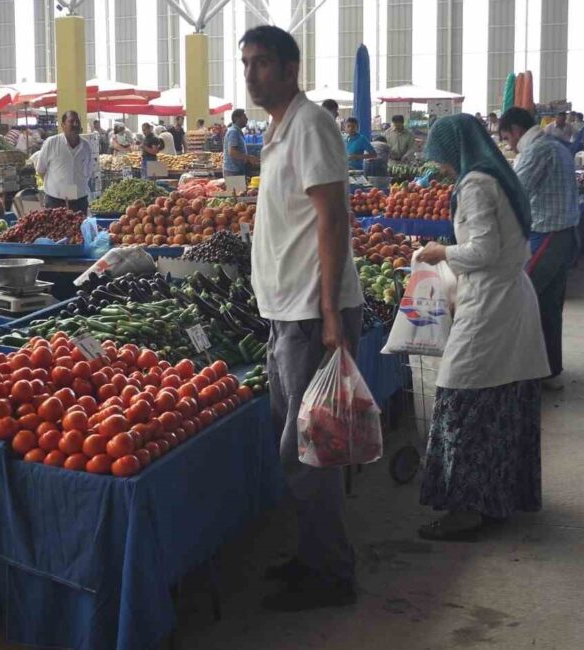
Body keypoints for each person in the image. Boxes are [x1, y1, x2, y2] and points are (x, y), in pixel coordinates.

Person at [241, 24, 364, 611]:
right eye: (246, 63)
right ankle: (312, 555)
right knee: (296, 445)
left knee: (310, 449)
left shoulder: (311, 124)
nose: (251, 73)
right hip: (284, 312)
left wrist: (330, 311)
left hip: (310, 313)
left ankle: (332, 574)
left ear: (291, 68)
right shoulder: (277, 129)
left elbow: (332, 218)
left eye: (263, 63)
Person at [413, 113, 550, 541]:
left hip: (491, 302)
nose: (443, 168)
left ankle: (467, 509)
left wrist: (442, 251)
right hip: (509, 296)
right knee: (502, 398)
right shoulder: (497, 173)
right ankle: (499, 496)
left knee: (461, 398)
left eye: (444, 158)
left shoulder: (474, 183)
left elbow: (484, 249)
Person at [499, 107, 579, 390]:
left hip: (546, 235)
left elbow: (515, 194)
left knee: (516, 299)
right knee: (547, 305)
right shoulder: (557, 147)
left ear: (517, 130)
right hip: (564, 235)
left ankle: (517, 375)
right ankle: (549, 371)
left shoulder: (536, 151)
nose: (508, 144)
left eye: (507, 138)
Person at [34, 111, 94, 213]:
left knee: (79, 228)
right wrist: (56, 188)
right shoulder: (51, 143)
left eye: (77, 121)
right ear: (63, 125)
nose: (75, 124)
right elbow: (41, 170)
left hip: (79, 202)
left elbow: (89, 171)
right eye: (71, 121)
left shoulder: (86, 146)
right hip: (55, 202)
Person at [223, 109, 256, 176]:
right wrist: (248, 157)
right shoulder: (233, 132)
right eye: (244, 117)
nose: (247, 119)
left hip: (237, 169)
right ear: (236, 118)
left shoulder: (237, 132)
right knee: (235, 187)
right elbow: (232, 152)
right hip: (233, 171)